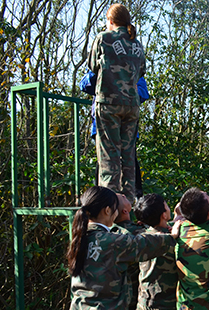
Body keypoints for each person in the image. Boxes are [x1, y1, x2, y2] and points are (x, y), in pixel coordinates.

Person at [89, 3, 146, 203]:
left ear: (110, 21)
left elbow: (92, 67)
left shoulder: (103, 38)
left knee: (109, 157)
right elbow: (141, 72)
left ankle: (109, 207)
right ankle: (128, 206)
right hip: (131, 105)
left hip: (108, 103)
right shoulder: (137, 45)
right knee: (128, 156)